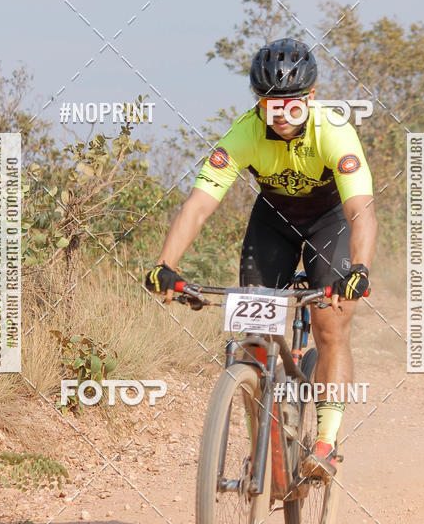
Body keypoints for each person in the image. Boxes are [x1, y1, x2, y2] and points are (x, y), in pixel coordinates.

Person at [145, 37, 377, 479]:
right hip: (273, 222)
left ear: (310, 98)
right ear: (259, 104)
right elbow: (198, 204)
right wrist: (165, 263)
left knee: (331, 326)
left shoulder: (334, 131)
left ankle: (325, 443)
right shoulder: (244, 133)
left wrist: (360, 268)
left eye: (292, 105)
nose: (282, 115)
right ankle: (262, 448)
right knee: (252, 336)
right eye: (272, 105)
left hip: (330, 223)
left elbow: (360, 210)